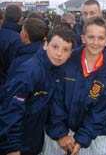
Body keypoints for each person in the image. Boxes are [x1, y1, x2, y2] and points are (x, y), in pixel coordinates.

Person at [43, 17, 106, 155]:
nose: (95, 42)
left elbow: (101, 111)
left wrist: (82, 138)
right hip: (58, 132)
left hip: (86, 135)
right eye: (91, 37)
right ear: (83, 38)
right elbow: (54, 99)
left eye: (100, 38)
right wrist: (60, 134)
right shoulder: (68, 61)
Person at [0, 25, 74, 155]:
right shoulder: (29, 72)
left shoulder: (55, 70)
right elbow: (11, 111)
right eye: (55, 47)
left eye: (66, 49)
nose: (59, 53)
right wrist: (12, 148)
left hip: (32, 143)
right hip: (18, 147)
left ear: (71, 53)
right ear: (45, 45)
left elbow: (50, 107)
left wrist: (60, 133)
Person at [0, 5, 24, 86]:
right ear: (21, 19)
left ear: (4, 16)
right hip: (6, 83)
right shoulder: (17, 39)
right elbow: (15, 66)